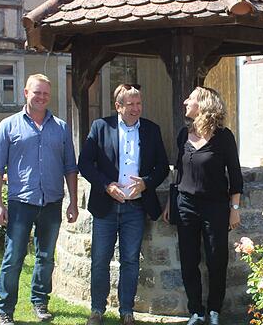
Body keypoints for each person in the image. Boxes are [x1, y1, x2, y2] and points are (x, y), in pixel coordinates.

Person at [0, 74, 79, 325]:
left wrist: (73, 201)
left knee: (46, 257)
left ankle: (40, 302)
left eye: (45, 94)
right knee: (13, 257)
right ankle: (5, 309)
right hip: (20, 203)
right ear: (25, 93)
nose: (41, 97)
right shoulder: (8, 126)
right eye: (36, 92)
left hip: (51, 202)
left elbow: (70, 167)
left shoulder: (60, 127)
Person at [79, 84, 170, 325]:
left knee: (130, 260)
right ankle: (97, 310)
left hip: (136, 207)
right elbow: (85, 164)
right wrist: (107, 185)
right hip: (105, 206)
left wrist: (146, 183)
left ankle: (126, 311)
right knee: (100, 259)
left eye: (139, 103)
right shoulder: (101, 127)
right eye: (130, 104)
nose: (136, 108)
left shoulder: (151, 129)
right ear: (118, 106)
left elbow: (162, 166)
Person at [163, 86, 243, 325]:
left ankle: (215, 310)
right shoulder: (182, 135)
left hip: (216, 207)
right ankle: (196, 311)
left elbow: (236, 176)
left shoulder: (224, 137)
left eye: (191, 98)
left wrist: (234, 209)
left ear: (204, 105)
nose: (185, 101)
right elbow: (177, 173)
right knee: (188, 260)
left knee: (217, 259)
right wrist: (170, 202)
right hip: (186, 205)